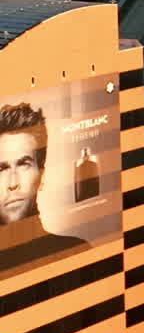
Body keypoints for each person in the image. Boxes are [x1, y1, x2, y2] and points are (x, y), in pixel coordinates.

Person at [0, 102, 90, 271]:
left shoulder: (76, 255)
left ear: (42, 175)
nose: (13, 183)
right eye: (2, 169)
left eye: (23, 164)